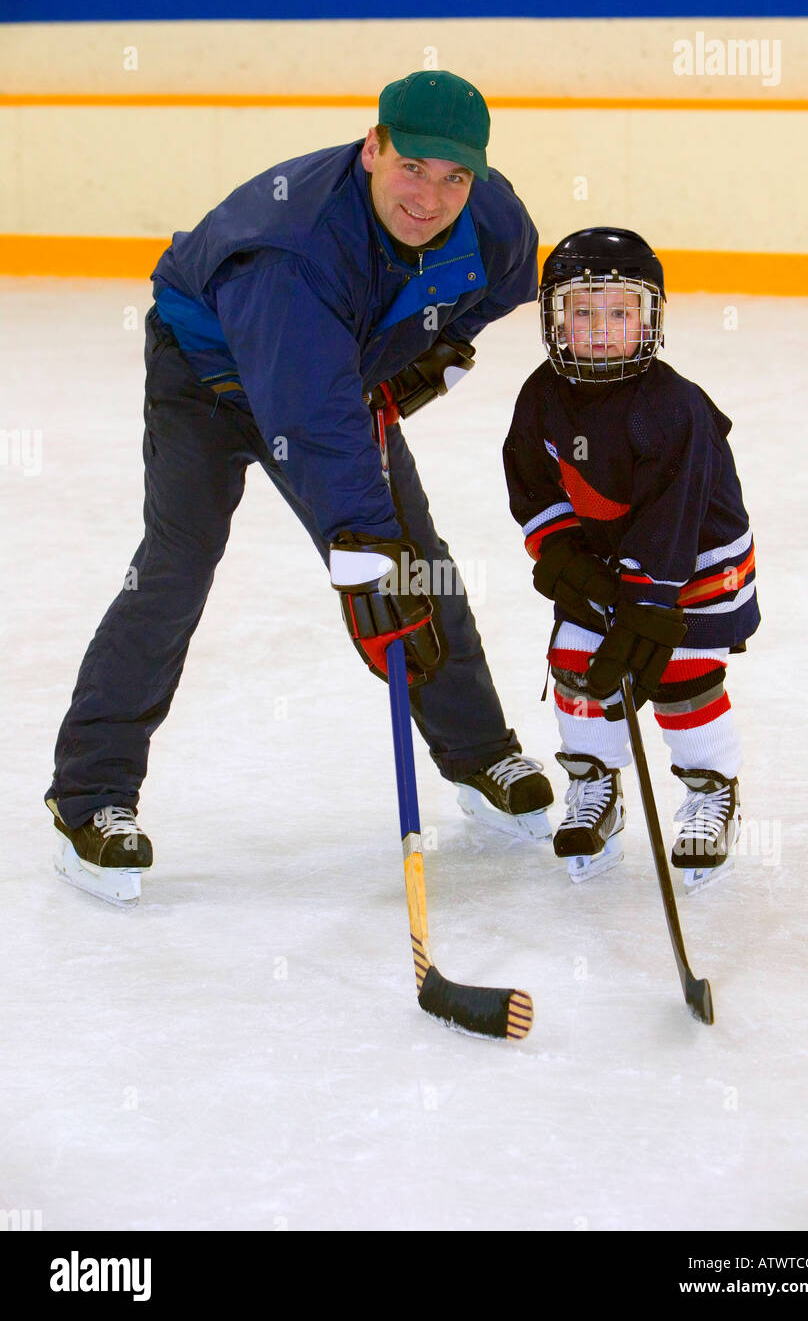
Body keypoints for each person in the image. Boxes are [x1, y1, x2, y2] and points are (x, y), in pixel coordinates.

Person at [45, 69, 555, 905]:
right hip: (206, 379)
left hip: (323, 377)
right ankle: (90, 798)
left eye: (454, 176)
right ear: (372, 148)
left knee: (420, 563)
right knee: (176, 566)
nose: (430, 196)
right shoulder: (295, 249)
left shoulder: (492, 223)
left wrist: (429, 354)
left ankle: (478, 754)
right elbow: (311, 418)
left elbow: (496, 292)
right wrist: (364, 544)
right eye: (412, 168)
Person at [503, 227, 759, 889]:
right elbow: (531, 483)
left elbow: (678, 516)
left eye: (621, 312)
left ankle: (711, 792)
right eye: (582, 311)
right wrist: (559, 549)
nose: (600, 328)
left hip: (698, 564)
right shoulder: (540, 397)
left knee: (679, 673)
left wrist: (646, 603)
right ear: (554, 318)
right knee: (576, 665)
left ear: (650, 320)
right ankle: (595, 788)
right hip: (610, 559)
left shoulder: (673, 407)